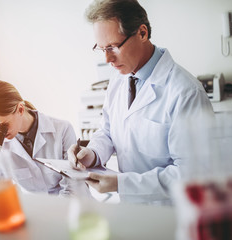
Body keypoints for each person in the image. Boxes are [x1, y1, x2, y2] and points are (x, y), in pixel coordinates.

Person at [67, 0, 214, 205]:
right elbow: (108, 131)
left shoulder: (186, 93)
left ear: (142, 33)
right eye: (101, 49)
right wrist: (91, 154)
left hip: (171, 214)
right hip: (133, 208)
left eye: (113, 47)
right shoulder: (120, 78)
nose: (107, 59)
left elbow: (192, 174)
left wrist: (121, 183)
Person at [0, 80, 79, 195]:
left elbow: (73, 186)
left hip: (68, 204)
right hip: (34, 206)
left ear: (20, 109)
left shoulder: (63, 129)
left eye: (2, 126)